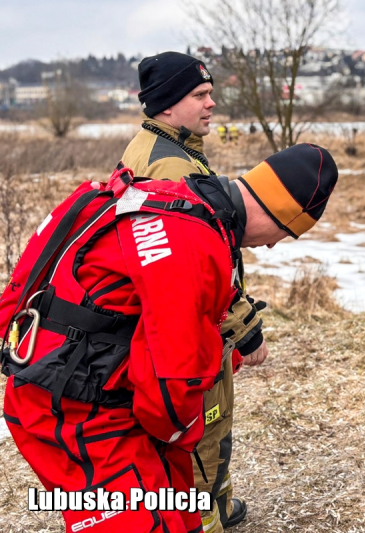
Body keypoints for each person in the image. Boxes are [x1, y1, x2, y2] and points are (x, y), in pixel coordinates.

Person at [0, 144, 338, 533]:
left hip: (67, 383)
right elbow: (171, 385)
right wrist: (182, 430)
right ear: (277, 210)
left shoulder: (174, 199)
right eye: (286, 231)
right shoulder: (195, 242)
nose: (272, 244)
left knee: (182, 512)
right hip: (76, 412)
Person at [121, 51, 263, 532]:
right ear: (166, 105)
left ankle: (215, 505)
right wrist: (246, 330)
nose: (212, 103)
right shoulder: (170, 169)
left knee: (201, 431)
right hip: (189, 327)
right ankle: (204, 519)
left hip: (170, 323)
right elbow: (200, 271)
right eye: (200, 95)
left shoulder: (157, 146)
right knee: (204, 428)